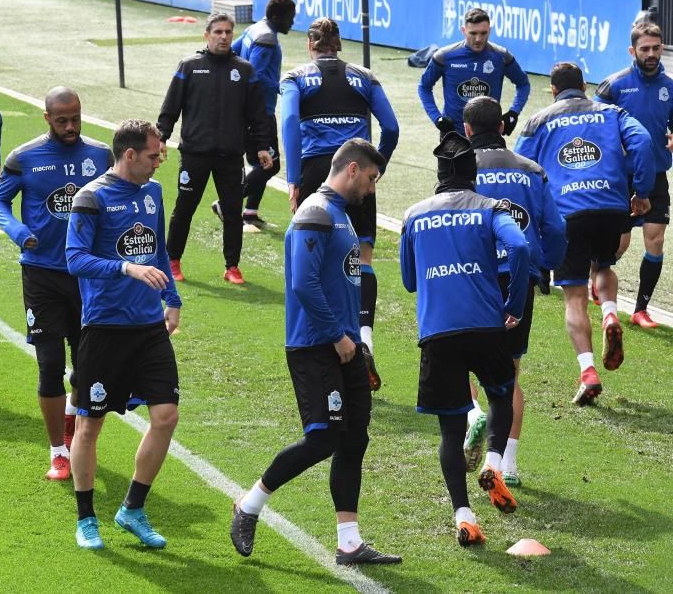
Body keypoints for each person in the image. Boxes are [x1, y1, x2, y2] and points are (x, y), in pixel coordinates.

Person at [229, 139, 401, 567]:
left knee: (354, 438)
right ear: (354, 169)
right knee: (324, 437)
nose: (373, 189)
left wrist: (358, 337)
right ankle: (249, 506)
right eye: (373, 179)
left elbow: (346, 283)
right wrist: (336, 336)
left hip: (346, 347)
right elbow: (304, 285)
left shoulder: (340, 215)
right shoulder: (315, 214)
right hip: (315, 346)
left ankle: (349, 542)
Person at [400, 132, 529, 547]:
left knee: (451, 432)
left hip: (438, 332)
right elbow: (520, 246)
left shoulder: (414, 215)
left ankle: (464, 517)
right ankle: (493, 461)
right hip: (486, 324)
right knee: (501, 394)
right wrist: (514, 302)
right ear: (473, 176)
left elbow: (407, 280)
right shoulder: (490, 208)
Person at [65, 120, 182, 550]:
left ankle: (132, 508)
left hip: (149, 328)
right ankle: (86, 518)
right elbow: (75, 259)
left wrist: (172, 298)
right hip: (104, 329)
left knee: (166, 416)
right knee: (90, 426)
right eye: (153, 156)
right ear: (129, 154)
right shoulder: (91, 198)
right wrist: (126, 267)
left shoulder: (152, 193)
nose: (158, 163)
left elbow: (158, 248)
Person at [0, 87, 113, 481]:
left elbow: (115, 202)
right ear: (47, 118)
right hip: (41, 273)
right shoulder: (24, 157)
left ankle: (71, 423)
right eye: (62, 120)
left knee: (86, 368)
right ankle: (58, 451)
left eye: (75, 118)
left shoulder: (99, 155)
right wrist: (17, 229)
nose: (71, 126)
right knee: (49, 366)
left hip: (88, 277)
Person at [515, 63, 654, 405]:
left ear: (553, 90)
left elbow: (522, 169)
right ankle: (609, 311)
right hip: (611, 207)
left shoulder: (539, 120)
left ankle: (588, 372)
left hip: (568, 214)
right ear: (585, 86)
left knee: (575, 296)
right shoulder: (611, 112)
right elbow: (644, 141)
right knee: (604, 266)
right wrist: (642, 190)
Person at [280, 17, 399, 390]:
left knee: (312, 259)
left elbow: (289, 126)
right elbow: (391, 127)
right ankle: (363, 339)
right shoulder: (364, 76)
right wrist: (375, 167)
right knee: (360, 258)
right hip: (357, 167)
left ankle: (326, 343)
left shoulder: (295, 77)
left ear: (310, 45)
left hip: (319, 171)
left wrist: (295, 179)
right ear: (339, 45)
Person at [457, 96, 567, 487]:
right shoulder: (532, 169)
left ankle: (473, 414)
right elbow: (554, 228)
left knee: (461, 360)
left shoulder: (463, 168)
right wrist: (546, 267)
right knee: (511, 375)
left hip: (474, 276)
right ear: (503, 126)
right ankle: (509, 465)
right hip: (518, 278)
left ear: (467, 130)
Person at [157, 12, 271, 285]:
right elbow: (171, 106)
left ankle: (232, 266)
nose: (223, 37)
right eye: (218, 32)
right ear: (206, 35)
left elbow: (258, 114)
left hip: (231, 156)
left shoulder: (245, 70)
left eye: (228, 32)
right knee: (184, 208)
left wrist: (263, 146)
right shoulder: (189, 66)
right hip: (194, 154)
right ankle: (173, 260)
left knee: (233, 212)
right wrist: (161, 136)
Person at [594, 22, 673, 328]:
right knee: (619, 244)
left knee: (655, 241)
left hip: (655, 177)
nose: (652, 54)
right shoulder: (614, 85)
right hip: (620, 178)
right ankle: (596, 278)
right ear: (632, 51)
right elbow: (594, 124)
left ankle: (640, 309)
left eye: (657, 48)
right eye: (645, 49)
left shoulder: (670, 88)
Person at [211, 0, 296, 229]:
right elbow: (253, 74)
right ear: (277, 16)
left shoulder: (254, 29)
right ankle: (226, 203)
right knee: (271, 164)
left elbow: (233, 52)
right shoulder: (267, 39)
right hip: (260, 112)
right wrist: (280, 86)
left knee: (262, 164)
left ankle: (250, 213)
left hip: (253, 111)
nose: (292, 23)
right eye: (290, 18)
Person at [418, 7, 531, 138]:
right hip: (453, 136)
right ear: (463, 31)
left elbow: (523, 84)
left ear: (490, 31)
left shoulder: (501, 56)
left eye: (484, 33)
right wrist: (437, 118)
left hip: (490, 136)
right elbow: (424, 87)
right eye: (473, 33)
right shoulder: (444, 56)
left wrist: (513, 113)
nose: (478, 39)